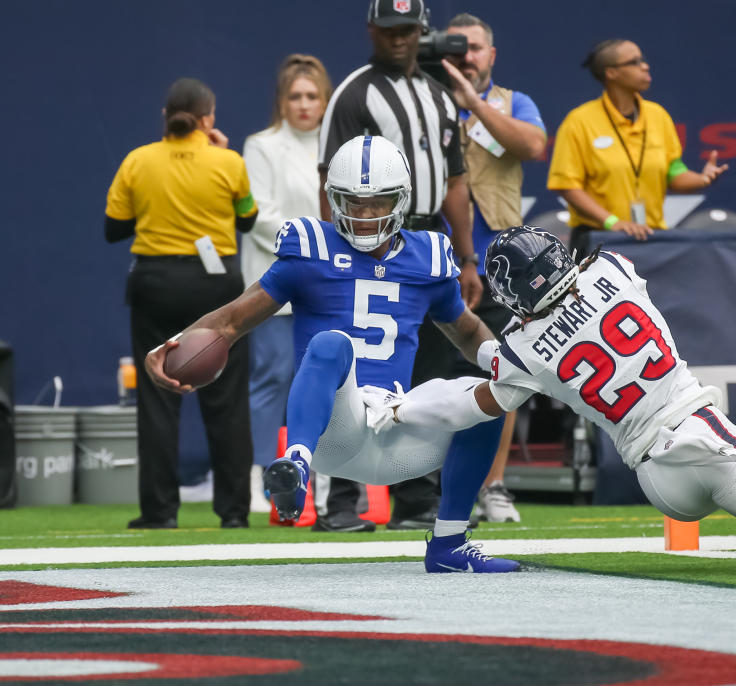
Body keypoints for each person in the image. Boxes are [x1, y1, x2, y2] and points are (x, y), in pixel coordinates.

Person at [363, 226, 736, 577]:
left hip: (654, 476)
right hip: (694, 432)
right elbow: (579, 314)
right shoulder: (615, 268)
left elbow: (467, 404)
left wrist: (401, 408)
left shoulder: (523, 350)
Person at [144, 135, 519, 573]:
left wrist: (509, 365)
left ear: (400, 201)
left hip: (401, 432)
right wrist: (168, 346)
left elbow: (468, 330)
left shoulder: (428, 257)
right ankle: (296, 468)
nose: (364, 214)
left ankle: (449, 545)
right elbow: (229, 322)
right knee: (331, 342)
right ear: (332, 199)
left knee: (491, 393)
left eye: (377, 202)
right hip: (332, 434)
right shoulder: (309, 250)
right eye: (352, 202)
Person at [314, 0, 483, 531]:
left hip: (427, 236)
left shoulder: (438, 95)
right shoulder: (355, 91)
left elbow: (456, 181)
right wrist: (337, 251)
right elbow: (331, 179)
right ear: (371, 30)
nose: (399, 39)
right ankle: (342, 502)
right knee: (358, 366)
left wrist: (467, 253)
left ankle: (417, 503)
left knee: (427, 369)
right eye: (389, 29)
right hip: (366, 234)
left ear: (422, 30)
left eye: (408, 29)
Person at [105, 77, 258, 529]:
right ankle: (233, 513)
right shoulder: (229, 162)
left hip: (156, 285)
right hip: (217, 288)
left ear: (165, 117)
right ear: (207, 119)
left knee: (157, 400)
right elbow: (247, 219)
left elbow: (114, 228)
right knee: (227, 401)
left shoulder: (138, 160)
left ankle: (158, 512)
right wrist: (220, 153)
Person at [441, 12, 548, 522]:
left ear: (492, 54)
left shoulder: (513, 102)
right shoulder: (426, 102)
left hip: (505, 263)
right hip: (436, 253)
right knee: (434, 371)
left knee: (502, 372)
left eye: (476, 47)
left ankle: (495, 484)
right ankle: (422, 488)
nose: (468, 56)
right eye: (459, 48)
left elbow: (532, 146)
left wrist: (474, 104)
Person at [242, 54, 333, 514]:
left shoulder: (335, 144)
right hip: (275, 285)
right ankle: (261, 478)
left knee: (322, 380)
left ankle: (320, 480)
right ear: (282, 100)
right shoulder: (261, 145)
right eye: (295, 96)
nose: (304, 104)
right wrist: (316, 244)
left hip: (326, 284)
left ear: (325, 99)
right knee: (273, 377)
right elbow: (260, 215)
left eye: (312, 96)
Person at [548, 39, 729, 259]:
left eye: (643, 60)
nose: (645, 66)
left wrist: (701, 179)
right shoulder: (579, 121)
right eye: (634, 62)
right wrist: (613, 223)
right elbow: (567, 186)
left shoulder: (658, 116)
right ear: (611, 73)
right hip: (598, 240)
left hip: (650, 238)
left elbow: (674, 172)